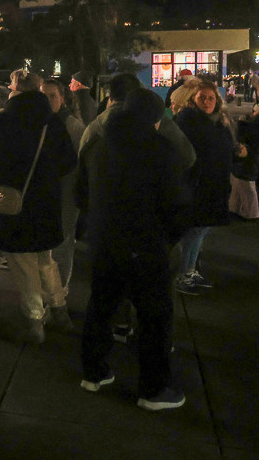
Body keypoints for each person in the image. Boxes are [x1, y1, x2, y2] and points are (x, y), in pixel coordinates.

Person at [76, 88, 188, 411]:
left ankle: (93, 373)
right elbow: (175, 205)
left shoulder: (98, 144)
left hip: (103, 242)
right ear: (155, 119)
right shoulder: (161, 149)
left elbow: (82, 193)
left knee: (100, 306)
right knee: (155, 318)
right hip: (145, 245)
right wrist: (167, 239)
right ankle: (153, 389)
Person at [0, 83, 77, 343]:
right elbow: (69, 161)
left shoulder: (4, 122)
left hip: (15, 203)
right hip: (46, 202)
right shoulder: (53, 124)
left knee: (23, 264)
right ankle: (59, 310)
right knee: (46, 260)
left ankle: (36, 320)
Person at [174, 81, 242, 294]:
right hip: (198, 184)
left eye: (210, 98)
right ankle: (184, 274)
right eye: (201, 97)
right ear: (193, 99)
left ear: (217, 100)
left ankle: (190, 270)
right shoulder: (188, 121)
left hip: (215, 183)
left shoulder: (218, 122)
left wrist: (236, 152)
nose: (206, 101)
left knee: (201, 230)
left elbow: (223, 149)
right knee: (194, 230)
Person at [42, 78, 85, 295]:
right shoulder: (39, 121)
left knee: (62, 243)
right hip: (46, 192)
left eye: (52, 96)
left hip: (66, 193)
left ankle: (59, 293)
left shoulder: (72, 126)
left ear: (62, 98)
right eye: (43, 95)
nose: (47, 100)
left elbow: (81, 162)